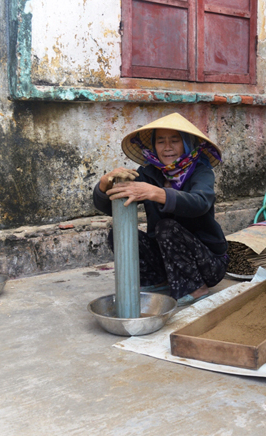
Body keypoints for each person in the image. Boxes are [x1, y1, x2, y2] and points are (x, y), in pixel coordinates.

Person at [93, 113, 229, 307]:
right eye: (161, 141)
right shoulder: (148, 173)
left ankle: (194, 287)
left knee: (166, 227)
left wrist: (156, 193)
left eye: (174, 141)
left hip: (207, 263)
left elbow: (200, 202)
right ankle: (157, 280)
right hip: (166, 260)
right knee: (119, 233)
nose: (167, 148)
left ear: (187, 143)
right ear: (154, 146)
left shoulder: (201, 172)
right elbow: (113, 206)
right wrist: (105, 184)